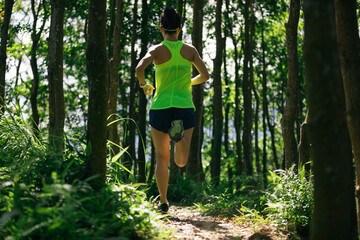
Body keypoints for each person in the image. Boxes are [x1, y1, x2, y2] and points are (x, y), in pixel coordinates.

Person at [135, 7, 209, 214]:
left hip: (160, 107)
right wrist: (188, 83)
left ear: (161, 29)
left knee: (162, 158)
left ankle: (164, 202)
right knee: (181, 160)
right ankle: (178, 138)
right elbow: (205, 75)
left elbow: (139, 68)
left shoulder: (157, 49)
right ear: (180, 28)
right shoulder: (190, 50)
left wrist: (144, 85)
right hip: (184, 107)